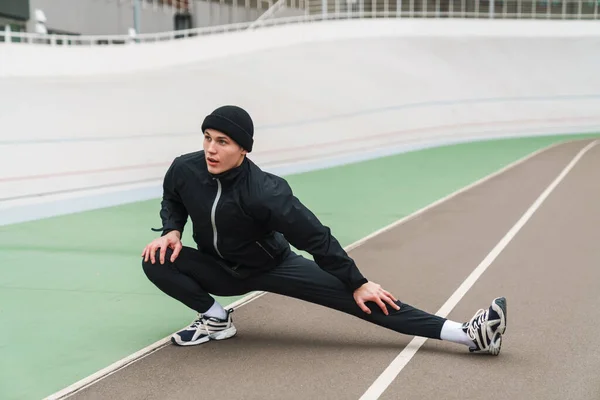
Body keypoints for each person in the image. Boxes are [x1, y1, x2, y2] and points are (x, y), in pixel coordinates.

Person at [141, 105, 507, 355]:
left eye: (222, 142)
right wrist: (173, 230)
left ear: (244, 150)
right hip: (221, 270)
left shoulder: (266, 192)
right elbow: (172, 197)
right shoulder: (185, 169)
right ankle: (216, 321)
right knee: (155, 259)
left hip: (274, 267)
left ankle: (468, 334)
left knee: (364, 301)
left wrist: (357, 281)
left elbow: (316, 238)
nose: (210, 149)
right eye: (207, 137)